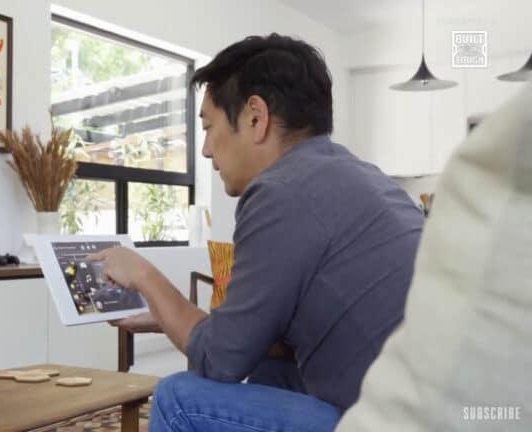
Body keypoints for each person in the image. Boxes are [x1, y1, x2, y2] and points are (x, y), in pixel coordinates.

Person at [89, 33, 423, 432]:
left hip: (395, 421)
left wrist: (145, 276)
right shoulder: (359, 176)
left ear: (254, 117)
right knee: (271, 362)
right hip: (432, 405)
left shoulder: (280, 192)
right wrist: (165, 315)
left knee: (179, 398)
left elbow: (219, 361)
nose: (206, 151)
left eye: (209, 128)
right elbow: (249, 341)